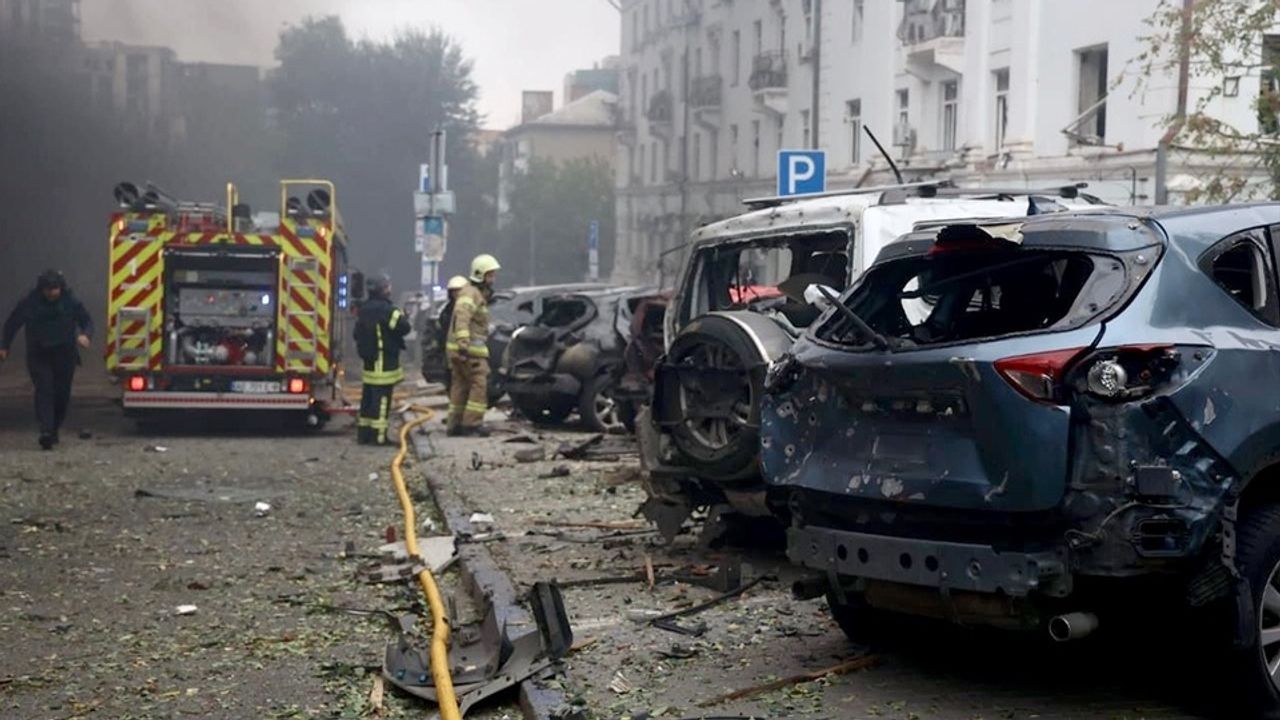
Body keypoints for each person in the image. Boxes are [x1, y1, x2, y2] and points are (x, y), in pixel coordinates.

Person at [0, 269, 94, 450]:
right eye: (47, 289)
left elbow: (86, 320)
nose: (51, 293)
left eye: (55, 289)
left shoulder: (70, 301)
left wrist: (86, 335)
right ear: (41, 289)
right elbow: (12, 323)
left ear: (61, 288)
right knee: (44, 389)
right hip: (39, 354)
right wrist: (5, 346)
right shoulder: (30, 303)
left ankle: (54, 428)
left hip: (65, 354)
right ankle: (46, 431)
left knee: (62, 394)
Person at [446, 254, 500, 437]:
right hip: (470, 352)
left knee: (460, 386)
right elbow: (462, 317)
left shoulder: (470, 293)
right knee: (479, 385)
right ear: (480, 275)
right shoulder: (472, 294)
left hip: (460, 351)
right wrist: (463, 343)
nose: (493, 279)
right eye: (490, 275)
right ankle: (472, 424)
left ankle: (455, 424)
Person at [353, 276, 411, 446]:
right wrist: (404, 316)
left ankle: (364, 435)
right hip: (383, 360)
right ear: (383, 290)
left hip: (369, 361)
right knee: (382, 398)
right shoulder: (388, 310)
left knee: (368, 398)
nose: (389, 290)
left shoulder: (363, 309)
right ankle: (379, 437)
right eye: (387, 287)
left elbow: (356, 334)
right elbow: (404, 327)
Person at [437, 275, 469, 395]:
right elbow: (442, 331)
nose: (456, 294)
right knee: (452, 382)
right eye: (454, 291)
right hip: (451, 354)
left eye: (459, 290)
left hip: (467, 352)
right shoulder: (447, 310)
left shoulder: (470, 307)